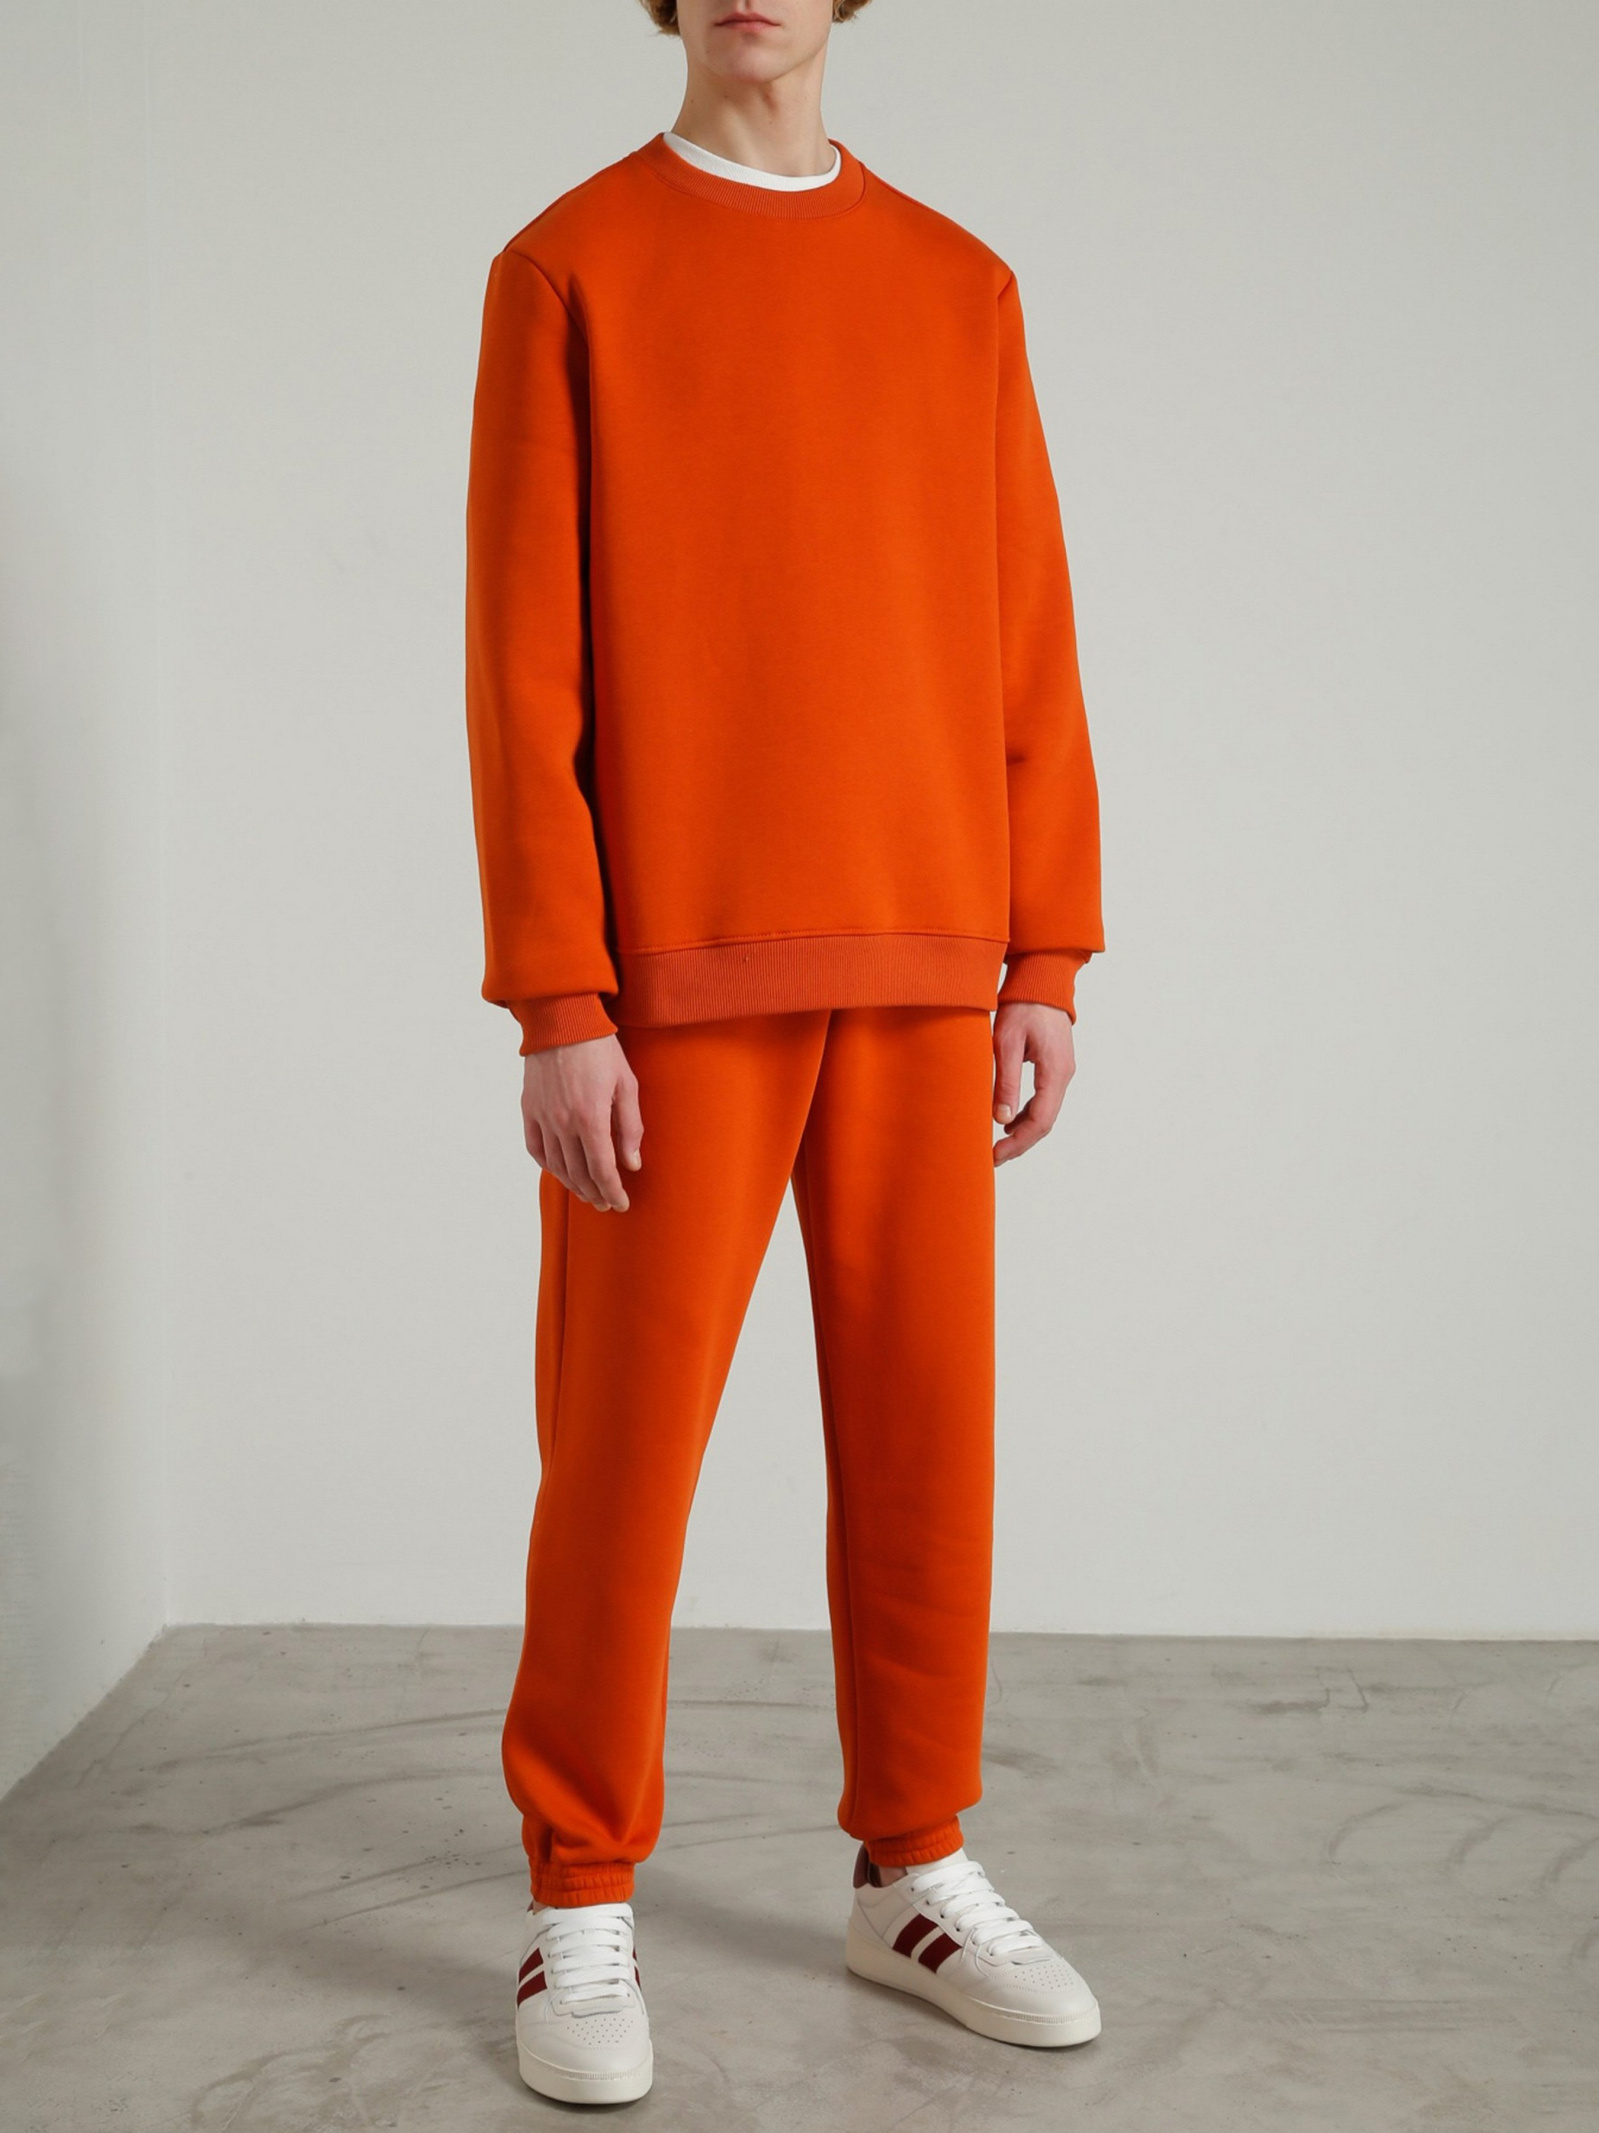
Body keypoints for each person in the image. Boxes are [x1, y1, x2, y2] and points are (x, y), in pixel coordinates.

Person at [464, 0, 1105, 2105]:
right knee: (621, 1451)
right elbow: (520, 665)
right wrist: (561, 996)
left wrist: (1044, 947)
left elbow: (1024, 625)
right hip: (672, 977)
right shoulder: (571, 268)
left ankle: (911, 1859)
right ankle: (578, 1891)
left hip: (926, 951)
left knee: (925, 1436)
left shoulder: (956, 284)